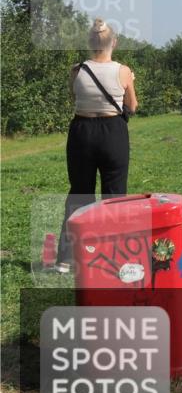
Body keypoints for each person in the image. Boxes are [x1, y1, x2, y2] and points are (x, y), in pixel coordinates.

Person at [56, 19, 139, 272]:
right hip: (112, 131)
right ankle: (115, 255)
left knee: (80, 193)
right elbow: (132, 107)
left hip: (81, 131)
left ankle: (66, 258)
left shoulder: (77, 70)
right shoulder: (123, 71)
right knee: (115, 194)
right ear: (114, 42)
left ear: (90, 43)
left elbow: (76, 97)